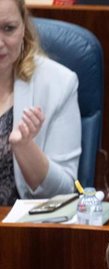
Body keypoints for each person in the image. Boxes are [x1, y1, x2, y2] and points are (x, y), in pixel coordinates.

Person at [0, 0, 80, 205]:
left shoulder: (58, 83)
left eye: (8, 29)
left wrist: (26, 148)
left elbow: (64, 192)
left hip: (21, 231)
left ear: (23, 27)